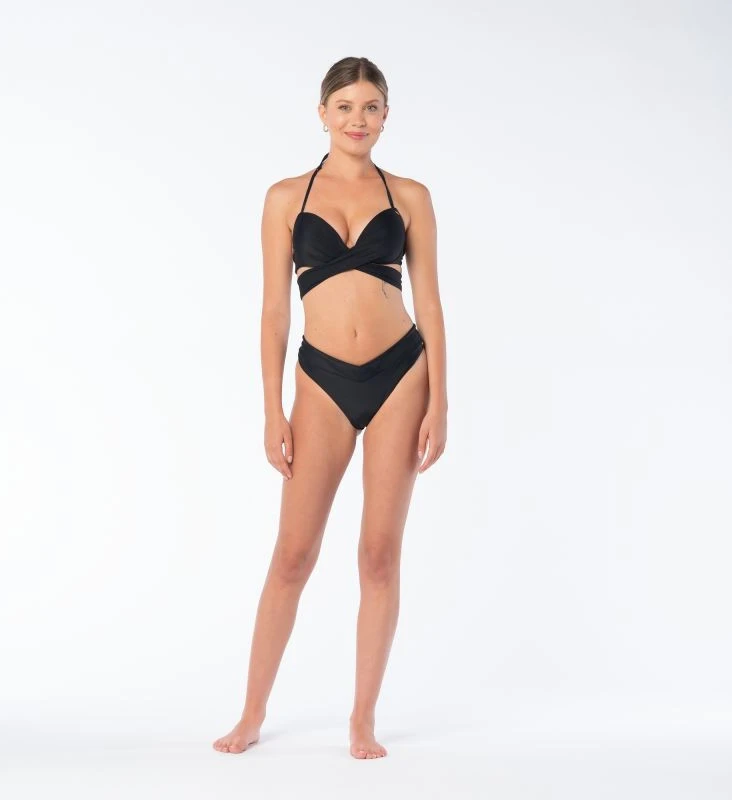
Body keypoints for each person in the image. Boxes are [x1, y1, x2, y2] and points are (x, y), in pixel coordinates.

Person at [214, 56, 448, 759]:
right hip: (319, 380)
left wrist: (441, 401)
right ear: (322, 114)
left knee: (378, 554)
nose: (358, 119)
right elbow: (273, 314)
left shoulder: (410, 196)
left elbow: (431, 304)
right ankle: (252, 713)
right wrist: (271, 410)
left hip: (401, 376)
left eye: (371, 107)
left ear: (386, 116)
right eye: (345, 106)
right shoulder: (286, 197)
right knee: (293, 554)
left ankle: (362, 720)